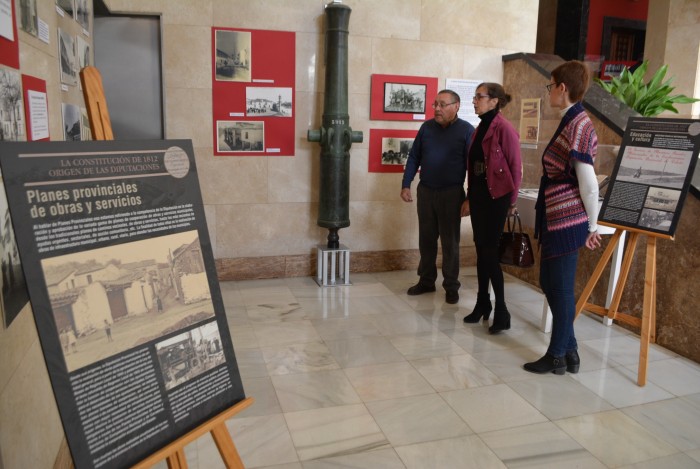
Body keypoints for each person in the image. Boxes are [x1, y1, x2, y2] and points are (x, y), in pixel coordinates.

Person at [524, 60, 601, 375]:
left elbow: (589, 182)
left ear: (562, 88)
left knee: (560, 286)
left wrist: (592, 225)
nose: (549, 92)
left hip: (568, 217)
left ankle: (557, 354)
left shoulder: (579, 124)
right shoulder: (572, 120)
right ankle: (570, 351)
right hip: (558, 213)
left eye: (550, 85)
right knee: (550, 281)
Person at [401, 90, 475, 304]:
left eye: (442, 105)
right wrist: (406, 184)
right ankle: (426, 281)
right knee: (426, 240)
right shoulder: (426, 128)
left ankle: (451, 286)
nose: (437, 109)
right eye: (435, 104)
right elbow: (414, 156)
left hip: (451, 194)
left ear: (456, 106)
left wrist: (469, 198)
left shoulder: (466, 131)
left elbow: (473, 167)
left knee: (450, 242)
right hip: (426, 191)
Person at [461, 83, 522, 333]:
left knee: (489, 253)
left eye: (479, 97)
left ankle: (502, 310)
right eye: (475, 97)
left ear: (494, 101)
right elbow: (474, 169)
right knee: (481, 251)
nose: (475, 101)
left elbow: (515, 167)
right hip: (478, 197)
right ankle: (482, 303)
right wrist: (468, 197)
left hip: (497, 198)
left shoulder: (504, 128)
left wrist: (512, 202)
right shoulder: (479, 129)